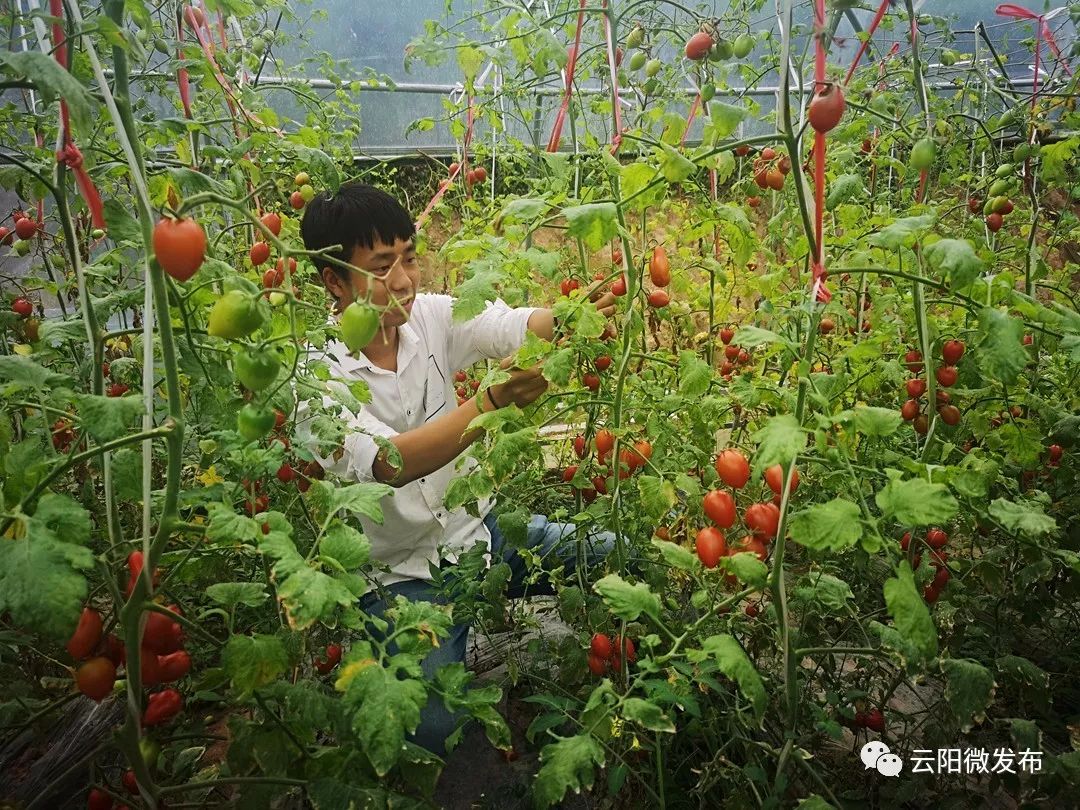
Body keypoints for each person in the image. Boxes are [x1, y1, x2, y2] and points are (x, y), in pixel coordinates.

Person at [294, 182, 619, 754]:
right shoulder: (314, 380)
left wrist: (572, 314)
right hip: (398, 581)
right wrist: (490, 403)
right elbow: (390, 462)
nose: (404, 280)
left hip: (478, 537)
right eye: (381, 265)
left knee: (614, 553)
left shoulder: (431, 318)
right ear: (334, 281)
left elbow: (510, 326)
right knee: (428, 727)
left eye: (410, 258)